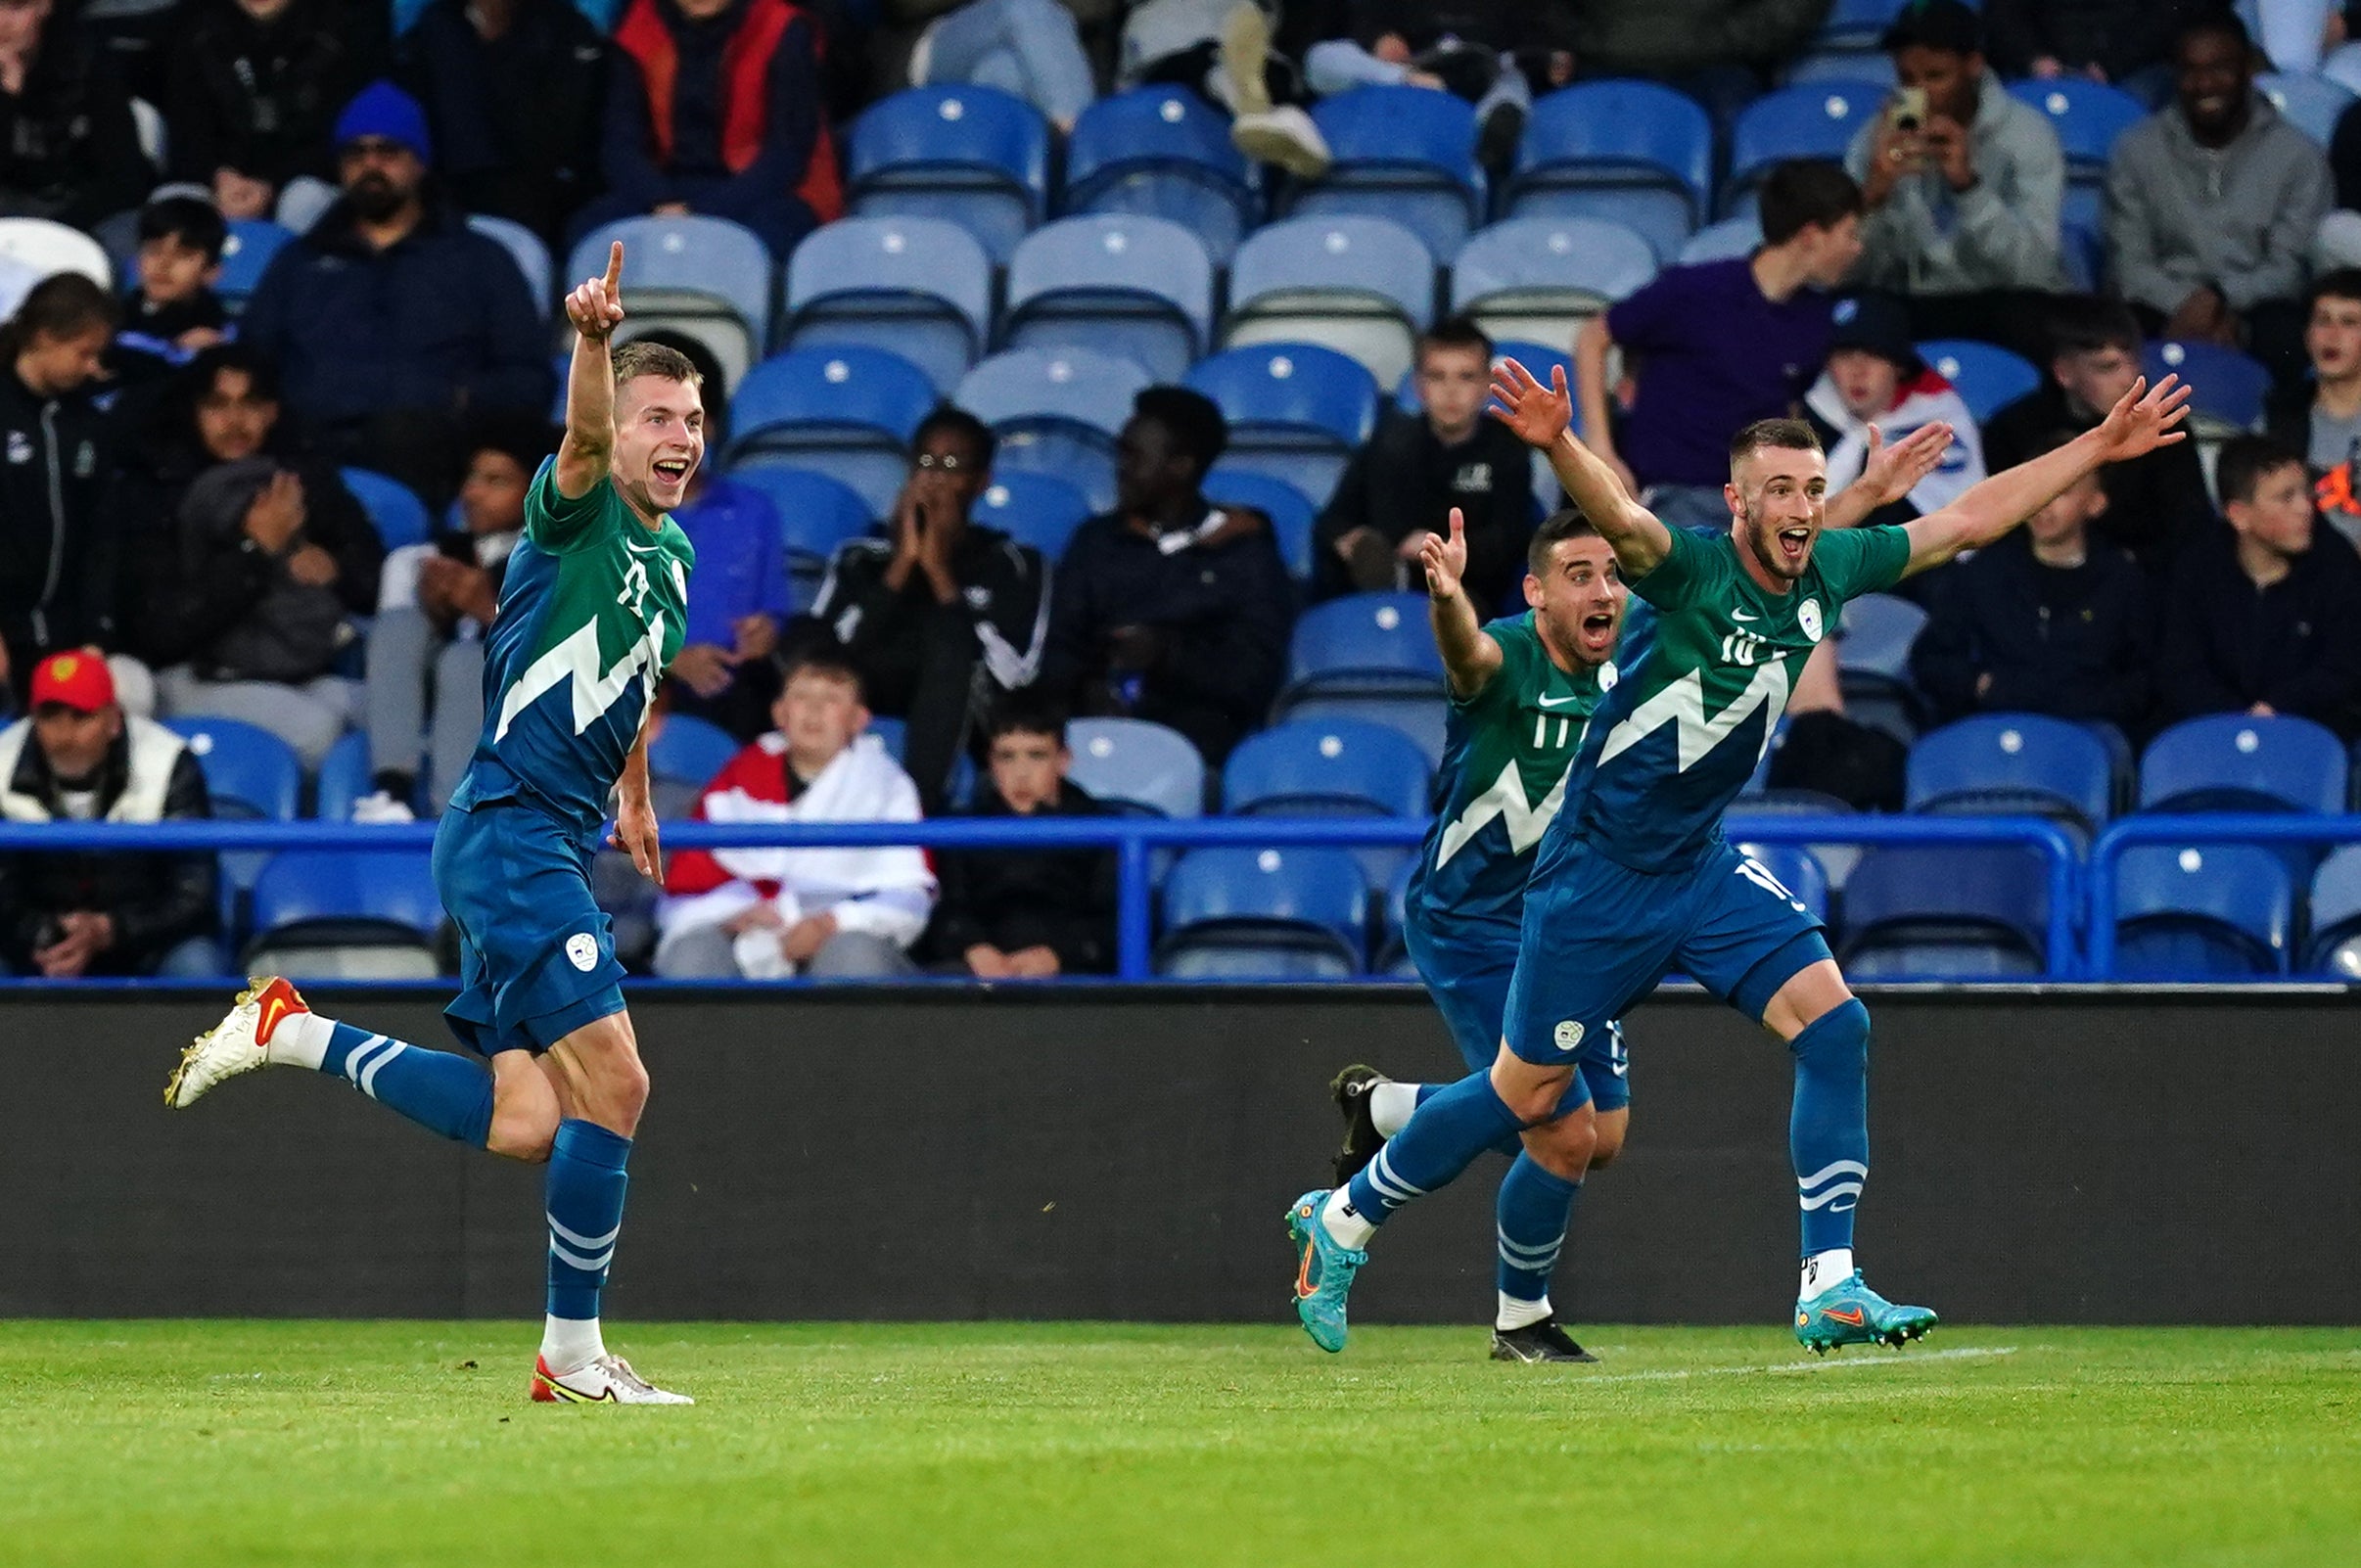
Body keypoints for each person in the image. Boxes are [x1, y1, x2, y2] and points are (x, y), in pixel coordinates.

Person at [1282, 354, 2188, 1357]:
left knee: (1836, 1028)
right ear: (1738, 503)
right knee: (1533, 1101)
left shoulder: (1831, 567)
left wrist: (2099, 444)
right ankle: (1346, 1218)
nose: (1801, 509)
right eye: (1780, 493)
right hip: (1597, 877)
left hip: (1701, 867)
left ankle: (1829, 1285)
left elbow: (1967, 520)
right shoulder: (1691, 571)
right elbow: (1625, 524)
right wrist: (1557, 442)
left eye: (1811, 490)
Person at [167, 246, 700, 1406]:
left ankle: (290, 1032)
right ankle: (571, 1358)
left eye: (695, 417)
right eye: (659, 413)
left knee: (526, 1121)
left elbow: (634, 676)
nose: (682, 435)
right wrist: (597, 345)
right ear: (619, 422)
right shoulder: (575, 517)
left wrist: (638, 791)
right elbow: (585, 447)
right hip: (510, 833)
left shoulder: (673, 555)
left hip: (540, 838)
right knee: (619, 1088)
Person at [1319, 432, 1948, 1363]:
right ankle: (1397, 1246)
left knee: (1602, 1131)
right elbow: (1468, 661)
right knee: (1551, 1119)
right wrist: (1448, 600)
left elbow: (1776, 563)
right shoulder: (1510, 658)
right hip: (1487, 918)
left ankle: (1828, 1281)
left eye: (1614, 575)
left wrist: (1856, 495)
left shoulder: (1643, 652)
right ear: (1538, 594)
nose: (1606, 589)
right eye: (1581, 574)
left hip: (1671, 871)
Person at [238, 80, 551, 506]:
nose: (371, 166)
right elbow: (251, 363)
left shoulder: (481, 262)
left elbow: (530, 381)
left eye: (388, 152)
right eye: (355, 154)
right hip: (307, 457)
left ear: (419, 162)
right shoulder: (298, 262)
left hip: (434, 463)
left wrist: (456, 398)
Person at [116, 344, 384, 769]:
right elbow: (160, 632)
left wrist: (335, 569)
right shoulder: (156, 492)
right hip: (193, 677)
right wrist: (255, 551)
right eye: (217, 405)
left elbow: (371, 579)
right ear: (193, 413)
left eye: (250, 405)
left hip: (298, 672)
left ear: (273, 412)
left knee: (382, 713)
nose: (235, 422)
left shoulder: (301, 479)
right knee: (320, 731)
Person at [1576, 159, 1865, 531]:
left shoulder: (1815, 320)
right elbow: (1593, 337)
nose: (1856, 249)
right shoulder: (1694, 291)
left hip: (1756, 504)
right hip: (1671, 498)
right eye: (1850, 234)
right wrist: (1601, 451)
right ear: (1811, 235)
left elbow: (1791, 409)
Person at [801, 404, 1049, 807]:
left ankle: (923, 806)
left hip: (978, 720)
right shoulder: (861, 558)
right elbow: (822, 655)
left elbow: (1016, 675)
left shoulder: (1014, 564)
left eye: (952, 465)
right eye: (926, 462)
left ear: (981, 481)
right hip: (869, 696)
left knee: (948, 648)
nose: (934, 478)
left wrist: (939, 571)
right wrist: (900, 566)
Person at [1042, 385, 1296, 765]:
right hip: (1090, 735)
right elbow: (1060, 647)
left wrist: (1166, 654)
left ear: (1181, 466)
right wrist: (1088, 688)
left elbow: (1254, 675)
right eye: (1121, 453)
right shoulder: (1096, 542)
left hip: (1199, 746)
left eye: (1135, 456)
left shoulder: (1243, 554)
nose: (1121, 468)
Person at [654, 649, 936, 979]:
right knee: (692, 953)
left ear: (858, 720)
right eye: (802, 696)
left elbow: (909, 896)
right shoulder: (733, 783)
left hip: (843, 941)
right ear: (780, 713)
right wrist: (733, 916)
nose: (814, 710)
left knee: (852, 954)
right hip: (746, 937)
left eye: (831, 698)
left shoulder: (888, 788)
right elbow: (684, 892)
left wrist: (832, 923)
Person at [2106, 12, 2332, 391]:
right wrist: (2188, 305)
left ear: (2248, 68)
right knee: (2111, 335)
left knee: (2289, 334)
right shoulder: (2136, 151)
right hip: (2162, 305)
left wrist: (2221, 300)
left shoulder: (2298, 155)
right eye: (2191, 70)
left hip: (2256, 309)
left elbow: (2289, 269)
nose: (2205, 84)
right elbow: (2129, 265)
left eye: (2220, 68)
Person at [357, 415, 555, 818]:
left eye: (496, 482)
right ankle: (391, 792)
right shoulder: (444, 552)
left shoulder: (563, 558)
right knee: (400, 625)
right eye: (472, 477)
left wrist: (488, 610)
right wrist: (438, 613)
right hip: (448, 705)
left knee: (467, 660)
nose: (473, 493)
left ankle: (455, 815)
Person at [1844, 0, 2068, 351]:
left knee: (2032, 320)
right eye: (1906, 79)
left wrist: (1969, 188)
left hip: (1997, 298)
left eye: (1935, 76)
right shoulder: (1874, 139)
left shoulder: (2027, 135)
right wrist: (1873, 198)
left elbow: (2035, 272)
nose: (1919, 94)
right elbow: (1847, 274)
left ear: (1974, 65)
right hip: (1911, 301)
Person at [1909, 429, 2153, 735]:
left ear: (2096, 503)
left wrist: (2076, 700)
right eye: (2035, 490)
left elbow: (2144, 683)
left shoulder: (2124, 583)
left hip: (2088, 732)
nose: (2043, 504)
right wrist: (1982, 685)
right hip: (1996, 726)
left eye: (2061, 491)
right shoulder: (1985, 571)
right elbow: (1931, 660)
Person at [0, 651, 216, 978]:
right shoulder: (2, 763)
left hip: (147, 940)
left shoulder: (167, 763)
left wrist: (111, 930)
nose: (65, 734)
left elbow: (193, 892)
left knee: (197, 965)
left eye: (81, 716)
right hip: (32, 942)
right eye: (50, 716)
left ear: (114, 720)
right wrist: (45, 932)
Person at [579, 0, 845, 260]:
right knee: (591, 232)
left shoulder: (783, 28)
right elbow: (620, 145)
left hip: (760, 191)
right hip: (664, 189)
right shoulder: (637, 25)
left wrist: (699, 214)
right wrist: (660, 202)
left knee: (769, 238)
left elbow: (786, 154)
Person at [1983, 296, 2218, 576]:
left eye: (2133, 362)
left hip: (2142, 587)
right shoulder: (2013, 431)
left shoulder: (2163, 425)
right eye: (2107, 367)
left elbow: (2189, 536)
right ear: (2063, 373)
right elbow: (2002, 532)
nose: (2129, 379)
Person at [1313, 316, 1537, 609]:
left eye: (1466, 377)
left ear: (1487, 385)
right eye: (1437, 376)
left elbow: (1510, 541)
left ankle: (1404, 582)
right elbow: (1331, 521)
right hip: (1380, 588)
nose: (1451, 391)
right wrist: (1352, 540)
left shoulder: (1508, 450)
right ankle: (1394, 583)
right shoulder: (1388, 442)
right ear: (1419, 385)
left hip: (1471, 594)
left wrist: (1440, 549)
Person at [2155, 435, 2361, 734]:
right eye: (2286, 497)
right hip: (2213, 731)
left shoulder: (2336, 563)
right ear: (2239, 515)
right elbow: (2180, 668)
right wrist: (2237, 719)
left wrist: (2277, 707)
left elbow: (2345, 667)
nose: (2306, 508)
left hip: (2314, 734)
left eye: (2307, 493)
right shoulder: (2196, 568)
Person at [923, 699, 1115, 978]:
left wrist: (1059, 954)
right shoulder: (962, 829)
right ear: (991, 763)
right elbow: (947, 910)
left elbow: (1118, 923)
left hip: (1077, 980)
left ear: (1064, 761)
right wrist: (973, 947)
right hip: (975, 977)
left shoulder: (1103, 829)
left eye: (1036, 755)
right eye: (1007, 757)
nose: (1021, 773)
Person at [0, 274, 122, 707]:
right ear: (45, 337)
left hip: (65, 633)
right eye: (84, 353)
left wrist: (95, 636)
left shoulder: (90, 424)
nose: (94, 368)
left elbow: (101, 535)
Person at [394, 0, 608, 246]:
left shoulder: (568, 30)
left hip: (546, 203)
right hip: (445, 200)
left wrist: (500, 44)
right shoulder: (431, 31)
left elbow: (560, 139)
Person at [163, 0, 376, 226]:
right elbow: (187, 131)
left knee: (304, 201)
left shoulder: (343, 29)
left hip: (307, 180)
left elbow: (345, 136)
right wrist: (220, 177)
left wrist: (270, 184)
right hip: (218, 180)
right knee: (171, 208)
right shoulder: (196, 28)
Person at [1802, 292, 1987, 531]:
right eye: (1845, 356)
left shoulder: (1936, 420)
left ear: (1899, 366)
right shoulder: (1808, 418)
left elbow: (1961, 522)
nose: (1858, 371)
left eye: (1875, 356)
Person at [661, 457, 790, 745]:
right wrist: (671, 660)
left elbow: (774, 609)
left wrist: (766, 632)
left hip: (738, 686)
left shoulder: (755, 510)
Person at [1120, 1, 1330, 177]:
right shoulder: (1155, 18)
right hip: (1160, 131)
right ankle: (1250, 102)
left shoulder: (1251, 13)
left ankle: (1277, 115)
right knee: (1197, 65)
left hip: (1237, 169)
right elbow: (1157, 76)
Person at [0, 0, 151, 231]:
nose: (2, 23)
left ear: (45, 6)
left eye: (16, 8)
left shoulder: (87, 61)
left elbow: (123, 177)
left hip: (82, 205)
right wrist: (7, 99)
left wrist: (57, 229)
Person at [2265, 268, 2361, 549]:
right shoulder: (2279, 419)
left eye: (2349, 322)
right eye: (2323, 321)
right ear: (2307, 336)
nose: (2332, 335)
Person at [903, 0, 1098, 135]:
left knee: (1001, 71)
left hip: (1029, 48)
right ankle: (1086, 144)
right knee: (1023, 5)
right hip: (939, 42)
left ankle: (998, 182)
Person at [112, 196, 230, 392]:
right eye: (154, 251)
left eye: (183, 255)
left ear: (211, 272)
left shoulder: (217, 338)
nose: (164, 264)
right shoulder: (110, 323)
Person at [1982, 0, 2199, 108]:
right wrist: (2033, 59)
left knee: (2140, 101)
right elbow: (2003, 13)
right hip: (2038, 66)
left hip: (2130, 68)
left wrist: (2110, 67)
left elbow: (2166, 16)